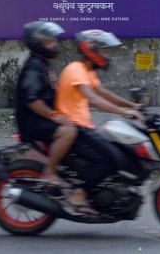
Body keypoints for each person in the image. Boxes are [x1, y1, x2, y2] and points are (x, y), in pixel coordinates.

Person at [55, 29, 144, 214]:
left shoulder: (87, 71)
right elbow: (94, 99)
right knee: (113, 157)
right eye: (103, 50)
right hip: (73, 129)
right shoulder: (75, 70)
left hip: (83, 127)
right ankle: (79, 194)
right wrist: (124, 112)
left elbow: (104, 93)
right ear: (90, 49)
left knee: (118, 149)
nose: (106, 55)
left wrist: (132, 106)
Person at [14, 21, 87, 204]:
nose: (54, 44)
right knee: (68, 131)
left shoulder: (42, 63)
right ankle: (50, 172)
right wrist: (56, 117)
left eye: (54, 40)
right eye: (49, 42)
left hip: (40, 118)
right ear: (37, 43)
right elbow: (33, 101)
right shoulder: (34, 67)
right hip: (32, 121)